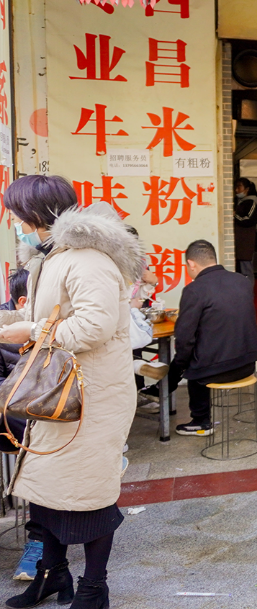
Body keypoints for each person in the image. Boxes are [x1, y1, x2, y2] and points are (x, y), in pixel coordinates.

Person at [0, 176, 143, 609]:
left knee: (89, 494)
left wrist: (33, 330)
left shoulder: (87, 259)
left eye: (15, 213)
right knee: (47, 491)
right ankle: (52, 574)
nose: (12, 220)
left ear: (32, 215)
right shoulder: (53, 258)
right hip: (61, 393)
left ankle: (93, 588)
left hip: (92, 397)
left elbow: (94, 327)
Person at [164, 240, 257, 436]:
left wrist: (181, 365)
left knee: (187, 361)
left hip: (216, 371)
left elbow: (184, 338)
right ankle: (163, 389)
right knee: (197, 353)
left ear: (191, 264)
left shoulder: (194, 289)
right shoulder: (242, 280)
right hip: (247, 364)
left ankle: (200, 421)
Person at [0, 269, 45, 585]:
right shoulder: (6, 325)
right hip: (8, 413)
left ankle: (39, 539)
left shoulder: (57, 326)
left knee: (40, 448)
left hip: (40, 418)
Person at [234, 177, 257, 284]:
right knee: (241, 270)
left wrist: (235, 215)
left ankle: (248, 294)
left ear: (247, 189)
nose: (236, 190)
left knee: (246, 270)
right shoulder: (241, 202)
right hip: (241, 243)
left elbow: (248, 220)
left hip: (247, 243)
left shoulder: (251, 202)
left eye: (239, 187)